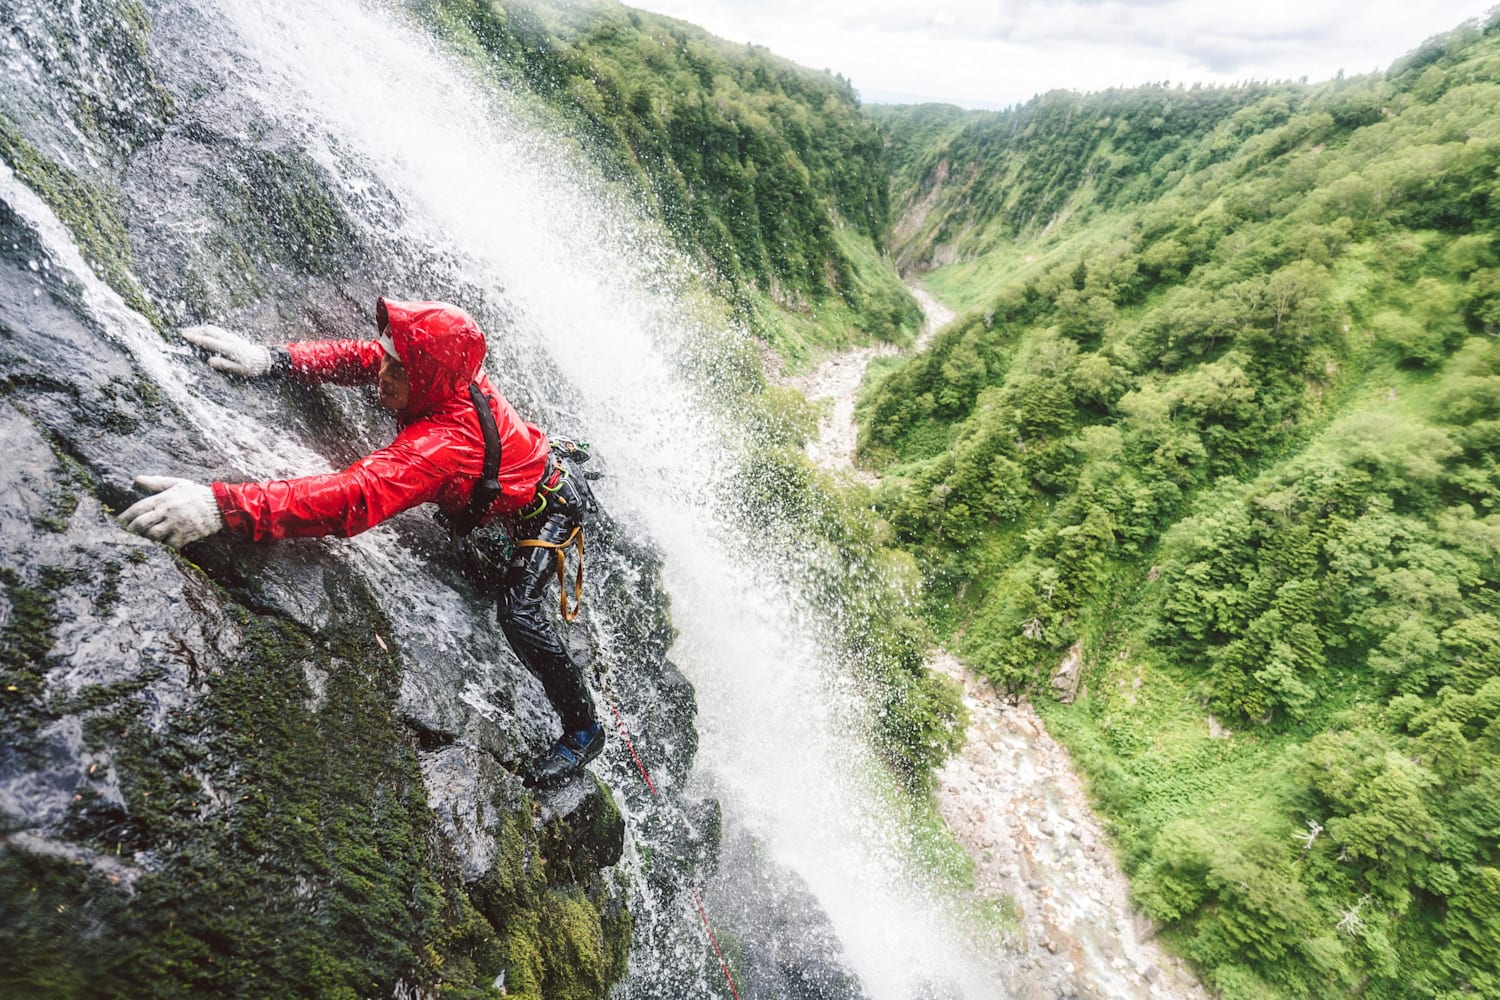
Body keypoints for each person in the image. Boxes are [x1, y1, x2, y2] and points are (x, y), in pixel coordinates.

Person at [119, 298, 605, 787]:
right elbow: (362, 357)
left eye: (397, 366)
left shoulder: (440, 447)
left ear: (427, 377)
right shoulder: (438, 373)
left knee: (516, 612)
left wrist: (222, 506)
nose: (382, 370)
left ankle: (584, 730)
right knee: (483, 564)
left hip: (548, 507)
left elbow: (353, 498)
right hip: (510, 485)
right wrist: (275, 360)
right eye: (389, 358)